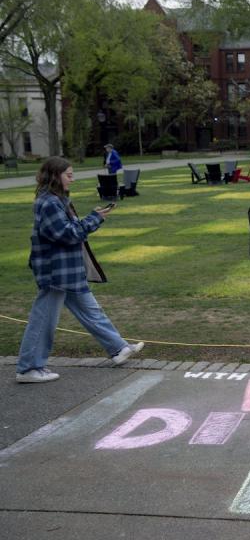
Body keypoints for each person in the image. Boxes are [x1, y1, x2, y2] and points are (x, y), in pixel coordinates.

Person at [15, 157, 143, 383]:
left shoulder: (57, 200)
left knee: (92, 311)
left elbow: (70, 229)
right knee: (43, 319)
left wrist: (94, 218)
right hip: (57, 273)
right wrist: (94, 219)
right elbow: (68, 235)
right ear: (55, 176)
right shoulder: (49, 203)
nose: (72, 179)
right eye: (69, 175)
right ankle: (28, 369)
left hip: (69, 271)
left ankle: (118, 348)